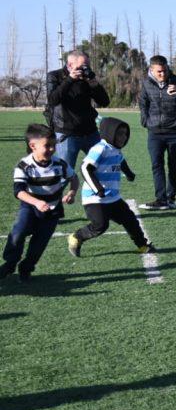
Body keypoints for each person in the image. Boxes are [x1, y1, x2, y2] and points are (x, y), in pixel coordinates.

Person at [67, 117, 154, 257]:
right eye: (119, 134)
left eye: (125, 134)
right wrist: (98, 189)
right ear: (109, 133)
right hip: (94, 198)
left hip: (113, 197)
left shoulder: (116, 149)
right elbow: (85, 167)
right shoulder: (100, 148)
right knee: (100, 226)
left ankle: (142, 245)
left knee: (130, 219)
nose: (123, 137)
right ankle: (77, 237)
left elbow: (121, 161)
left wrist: (129, 173)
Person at [1, 124, 78, 282]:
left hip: (52, 211)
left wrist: (72, 192)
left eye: (54, 145)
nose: (52, 149)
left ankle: (26, 268)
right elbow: (19, 191)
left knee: (39, 244)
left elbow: (74, 178)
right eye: (47, 146)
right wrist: (36, 202)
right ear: (33, 146)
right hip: (30, 207)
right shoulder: (24, 165)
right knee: (18, 233)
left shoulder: (60, 164)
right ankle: (9, 263)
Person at [138, 55, 176, 210]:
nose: (163, 74)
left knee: (174, 167)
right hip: (155, 132)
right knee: (157, 165)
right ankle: (161, 200)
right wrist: (146, 121)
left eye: (165, 70)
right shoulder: (146, 83)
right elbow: (143, 103)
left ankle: (171, 198)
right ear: (151, 70)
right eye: (159, 71)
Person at [45, 50, 110, 172]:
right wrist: (70, 79)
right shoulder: (55, 76)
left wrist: (95, 85)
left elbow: (105, 102)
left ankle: (95, 185)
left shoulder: (87, 78)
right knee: (65, 172)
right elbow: (53, 100)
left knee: (102, 168)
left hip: (90, 132)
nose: (86, 69)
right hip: (67, 133)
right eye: (82, 66)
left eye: (87, 65)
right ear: (70, 65)